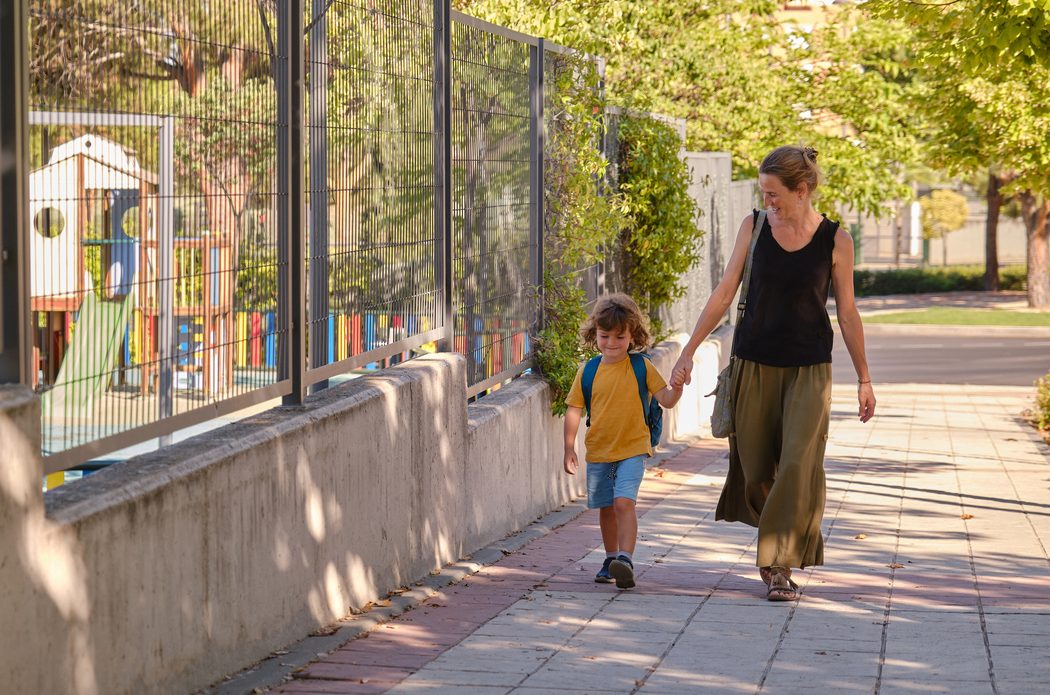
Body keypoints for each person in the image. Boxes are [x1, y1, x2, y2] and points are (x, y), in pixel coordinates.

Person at [670, 145, 876, 601]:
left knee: (798, 464)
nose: (767, 201)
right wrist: (688, 351)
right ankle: (778, 540)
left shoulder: (836, 240)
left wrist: (864, 378)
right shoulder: (754, 226)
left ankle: (778, 563)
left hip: (809, 368)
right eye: (764, 193)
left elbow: (847, 312)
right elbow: (725, 292)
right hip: (754, 361)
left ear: (802, 190)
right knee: (756, 469)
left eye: (773, 193)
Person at [563, 294, 684, 589]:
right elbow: (574, 409)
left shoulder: (642, 367)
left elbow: (666, 399)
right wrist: (569, 447)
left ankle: (625, 560)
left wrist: (677, 388)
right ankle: (610, 559)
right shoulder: (588, 371)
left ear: (633, 335)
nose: (612, 343)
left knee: (623, 502)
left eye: (620, 337)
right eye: (605, 336)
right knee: (606, 507)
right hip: (599, 451)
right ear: (595, 334)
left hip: (633, 449)